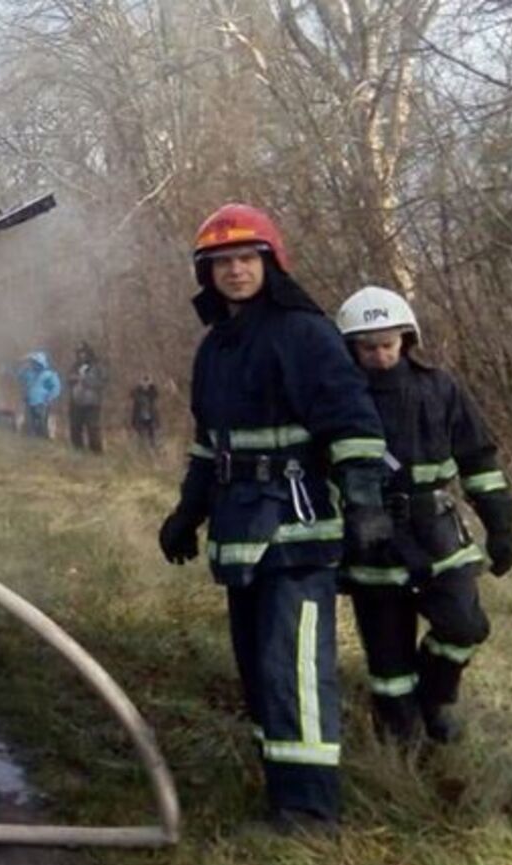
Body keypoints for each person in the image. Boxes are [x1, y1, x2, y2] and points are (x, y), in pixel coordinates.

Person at [157, 203, 393, 833]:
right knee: (259, 667)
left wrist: (365, 501)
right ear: (206, 274)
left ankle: (311, 812)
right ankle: (279, 788)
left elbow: (353, 423)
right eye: (222, 263)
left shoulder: (304, 333)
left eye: (246, 259)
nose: (235, 271)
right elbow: (212, 443)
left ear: (270, 262)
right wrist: (189, 509)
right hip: (240, 531)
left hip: (298, 530)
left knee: (294, 670)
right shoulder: (216, 348)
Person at [333, 286, 512, 744]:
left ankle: (436, 696)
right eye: (368, 347)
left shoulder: (440, 388)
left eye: (388, 344)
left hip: (438, 534)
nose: (379, 355)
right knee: (389, 664)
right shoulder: (337, 398)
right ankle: (401, 748)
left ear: (407, 338)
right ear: (350, 347)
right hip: (370, 540)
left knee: (465, 625)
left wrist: (500, 526)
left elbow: (478, 459)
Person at [68, 342, 107, 453]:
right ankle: (78, 449)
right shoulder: (75, 366)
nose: (81, 355)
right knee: (75, 427)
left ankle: (96, 451)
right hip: (76, 401)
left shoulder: (98, 366)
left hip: (92, 402)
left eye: (83, 353)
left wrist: (86, 380)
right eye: (79, 353)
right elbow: (68, 379)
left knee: (93, 427)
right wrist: (72, 379)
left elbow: (103, 382)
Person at [18, 351, 61, 439]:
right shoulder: (29, 373)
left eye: (36, 362)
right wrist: (24, 364)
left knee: (42, 422)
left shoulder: (49, 374)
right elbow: (20, 377)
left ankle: (43, 438)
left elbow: (56, 388)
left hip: (42, 402)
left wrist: (50, 397)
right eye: (33, 363)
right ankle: (31, 438)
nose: (34, 365)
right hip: (30, 401)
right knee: (29, 422)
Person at [130, 376, 161, 451]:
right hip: (140, 417)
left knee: (152, 436)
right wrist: (139, 386)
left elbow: (156, 394)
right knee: (140, 436)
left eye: (147, 383)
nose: (145, 385)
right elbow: (132, 394)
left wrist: (152, 385)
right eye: (144, 383)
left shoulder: (151, 392)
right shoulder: (138, 392)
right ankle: (141, 451)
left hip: (150, 417)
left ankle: (153, 450)